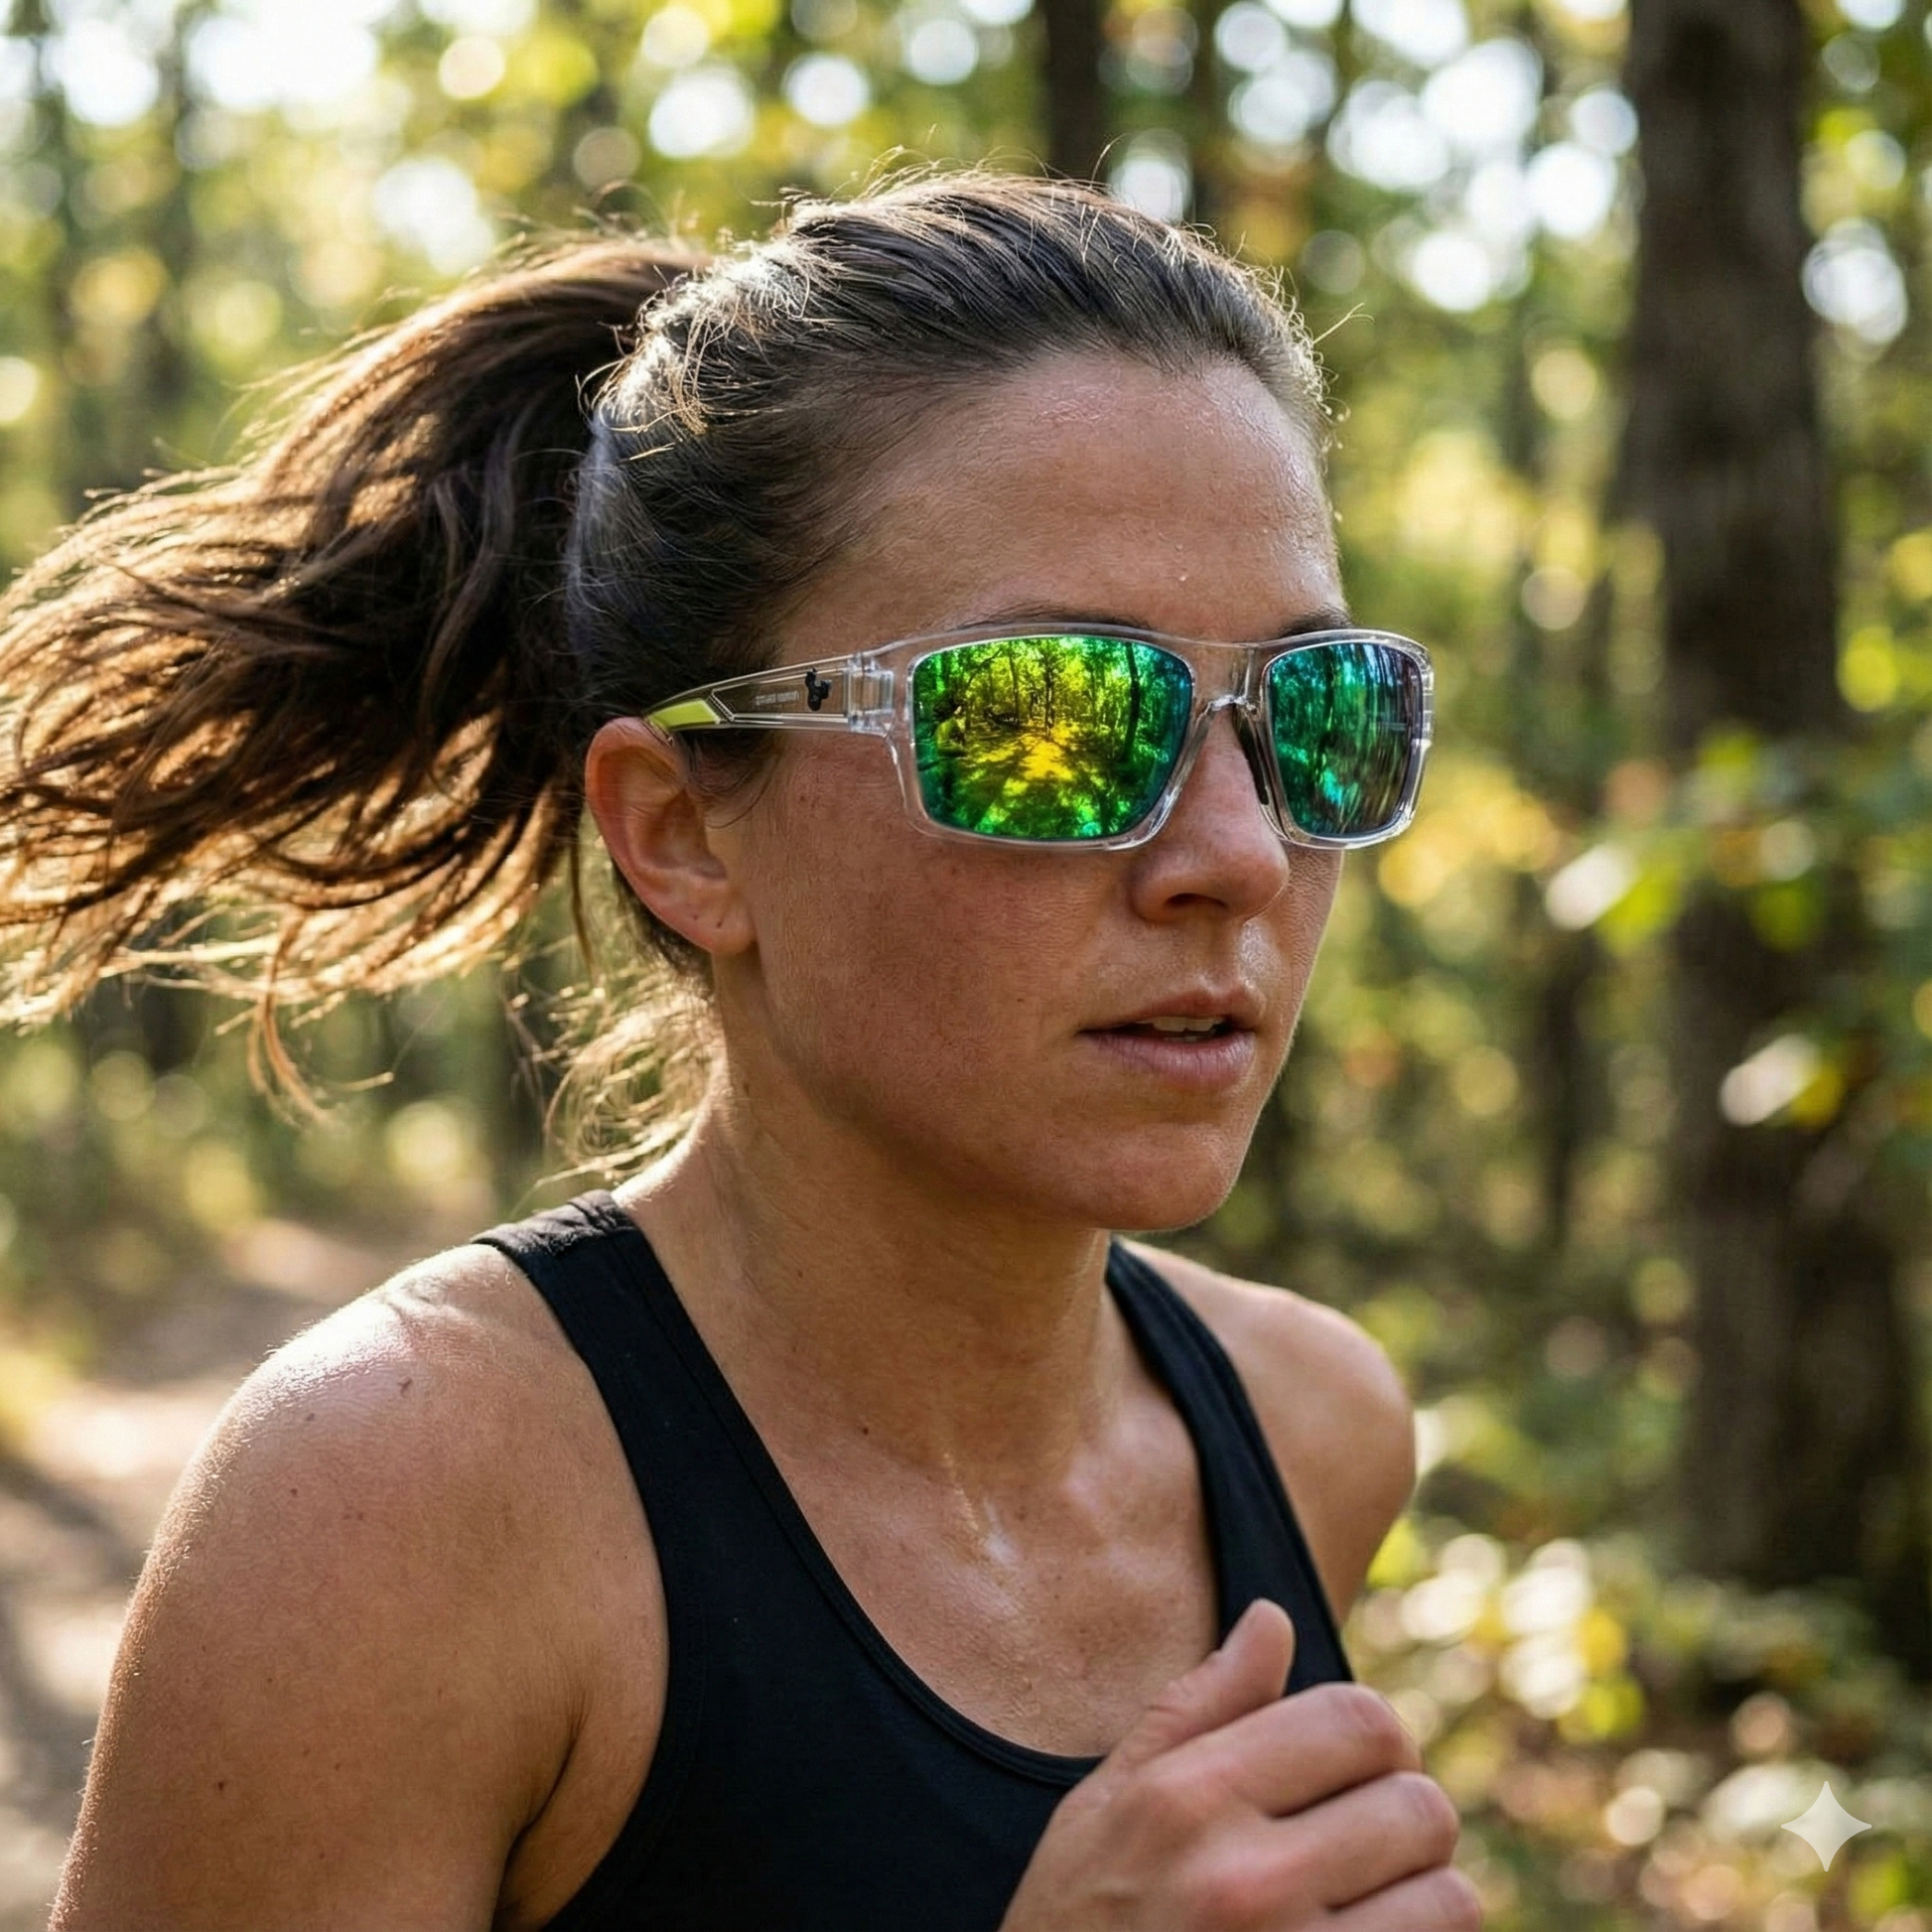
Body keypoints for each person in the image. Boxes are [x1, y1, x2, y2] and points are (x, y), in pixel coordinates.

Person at [5, 171, 1477, 1929]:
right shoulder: (391, 1506)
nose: (1236, 852)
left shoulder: (1316, 1427)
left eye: (1318, 714)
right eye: (1049, 720)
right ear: (684, 831)